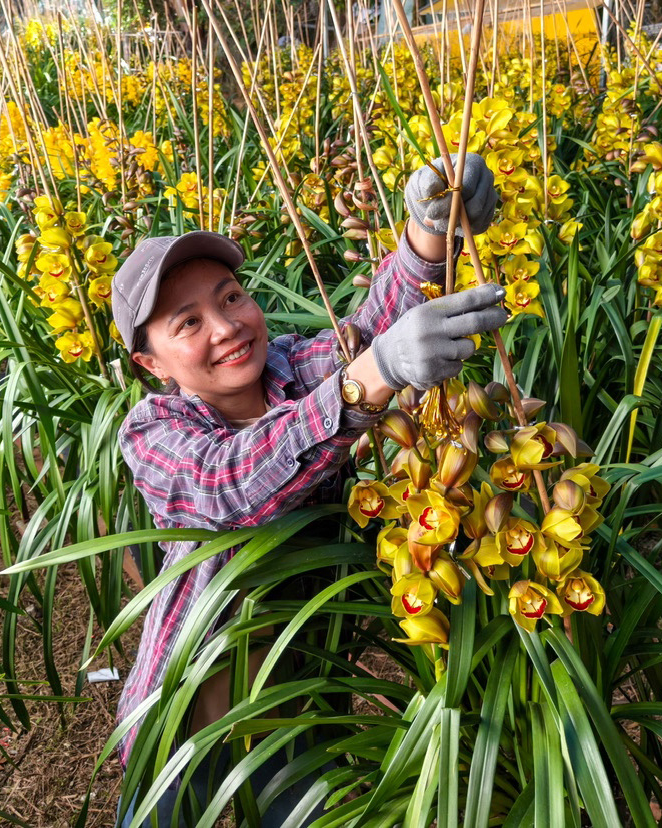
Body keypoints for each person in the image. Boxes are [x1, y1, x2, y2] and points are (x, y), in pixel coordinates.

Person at [111, 153, 504, 827]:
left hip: (300, 691)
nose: (227, 328)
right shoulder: (153, 431)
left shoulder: (292, 368)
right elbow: (229, 487)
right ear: (151, 363)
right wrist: (363, 383)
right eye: (188, 323)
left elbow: (374, 328)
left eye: (230, 298)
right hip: (189, 702)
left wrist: (427, 232)